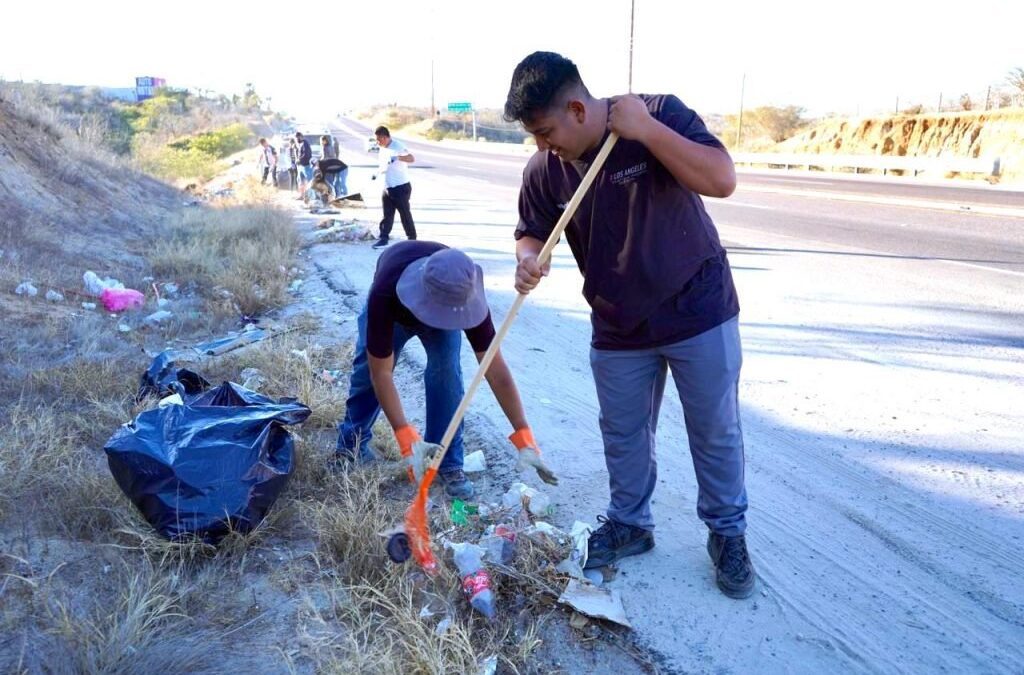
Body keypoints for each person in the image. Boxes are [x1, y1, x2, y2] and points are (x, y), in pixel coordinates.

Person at [504, 51, 754, 599]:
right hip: (617, 321)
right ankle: (630, 524)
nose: (543, 145)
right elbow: (531, 229)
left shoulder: (656, 112)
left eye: (546, 131)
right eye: (535, 136)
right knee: (622, 432)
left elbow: (721, 178)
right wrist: (528, 258)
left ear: (576, 107)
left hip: (697, 308)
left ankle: (727, 534)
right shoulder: (544, 168)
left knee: (714, 430)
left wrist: (647, 130)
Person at [336, 242, 556, 499]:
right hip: (396, 310)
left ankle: (447, 464)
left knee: (447, 376)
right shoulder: (385, 294)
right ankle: (351, 447)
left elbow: (495, 371)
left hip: (444, 302)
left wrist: (524, 435)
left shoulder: (465, 294)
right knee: (366, 373)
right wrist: (406, 437)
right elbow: (381, 374)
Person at [370, 126, 416, 249]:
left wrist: (398, 157)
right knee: (387, 215)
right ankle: (383, 238)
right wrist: (376, 173)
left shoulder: (398, 146)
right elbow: (383, 165)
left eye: (379, 140)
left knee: (405, 214)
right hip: (387, 186)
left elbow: (412, 158)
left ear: (385, 137)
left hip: (400, 187)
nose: (377, 142)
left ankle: (412, 239)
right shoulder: (382, 148)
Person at [294, 132, 313, 196]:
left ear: (301, 137)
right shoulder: (300, 144)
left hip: (306, 166)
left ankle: (310, 196)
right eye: (296, 138)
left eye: (297, 137)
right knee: (300, 181)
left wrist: (300, 160)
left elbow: (307, 154)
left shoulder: (305, 144)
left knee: (309, 181)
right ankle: (302, 195)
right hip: (301, 166)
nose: (297, 139)